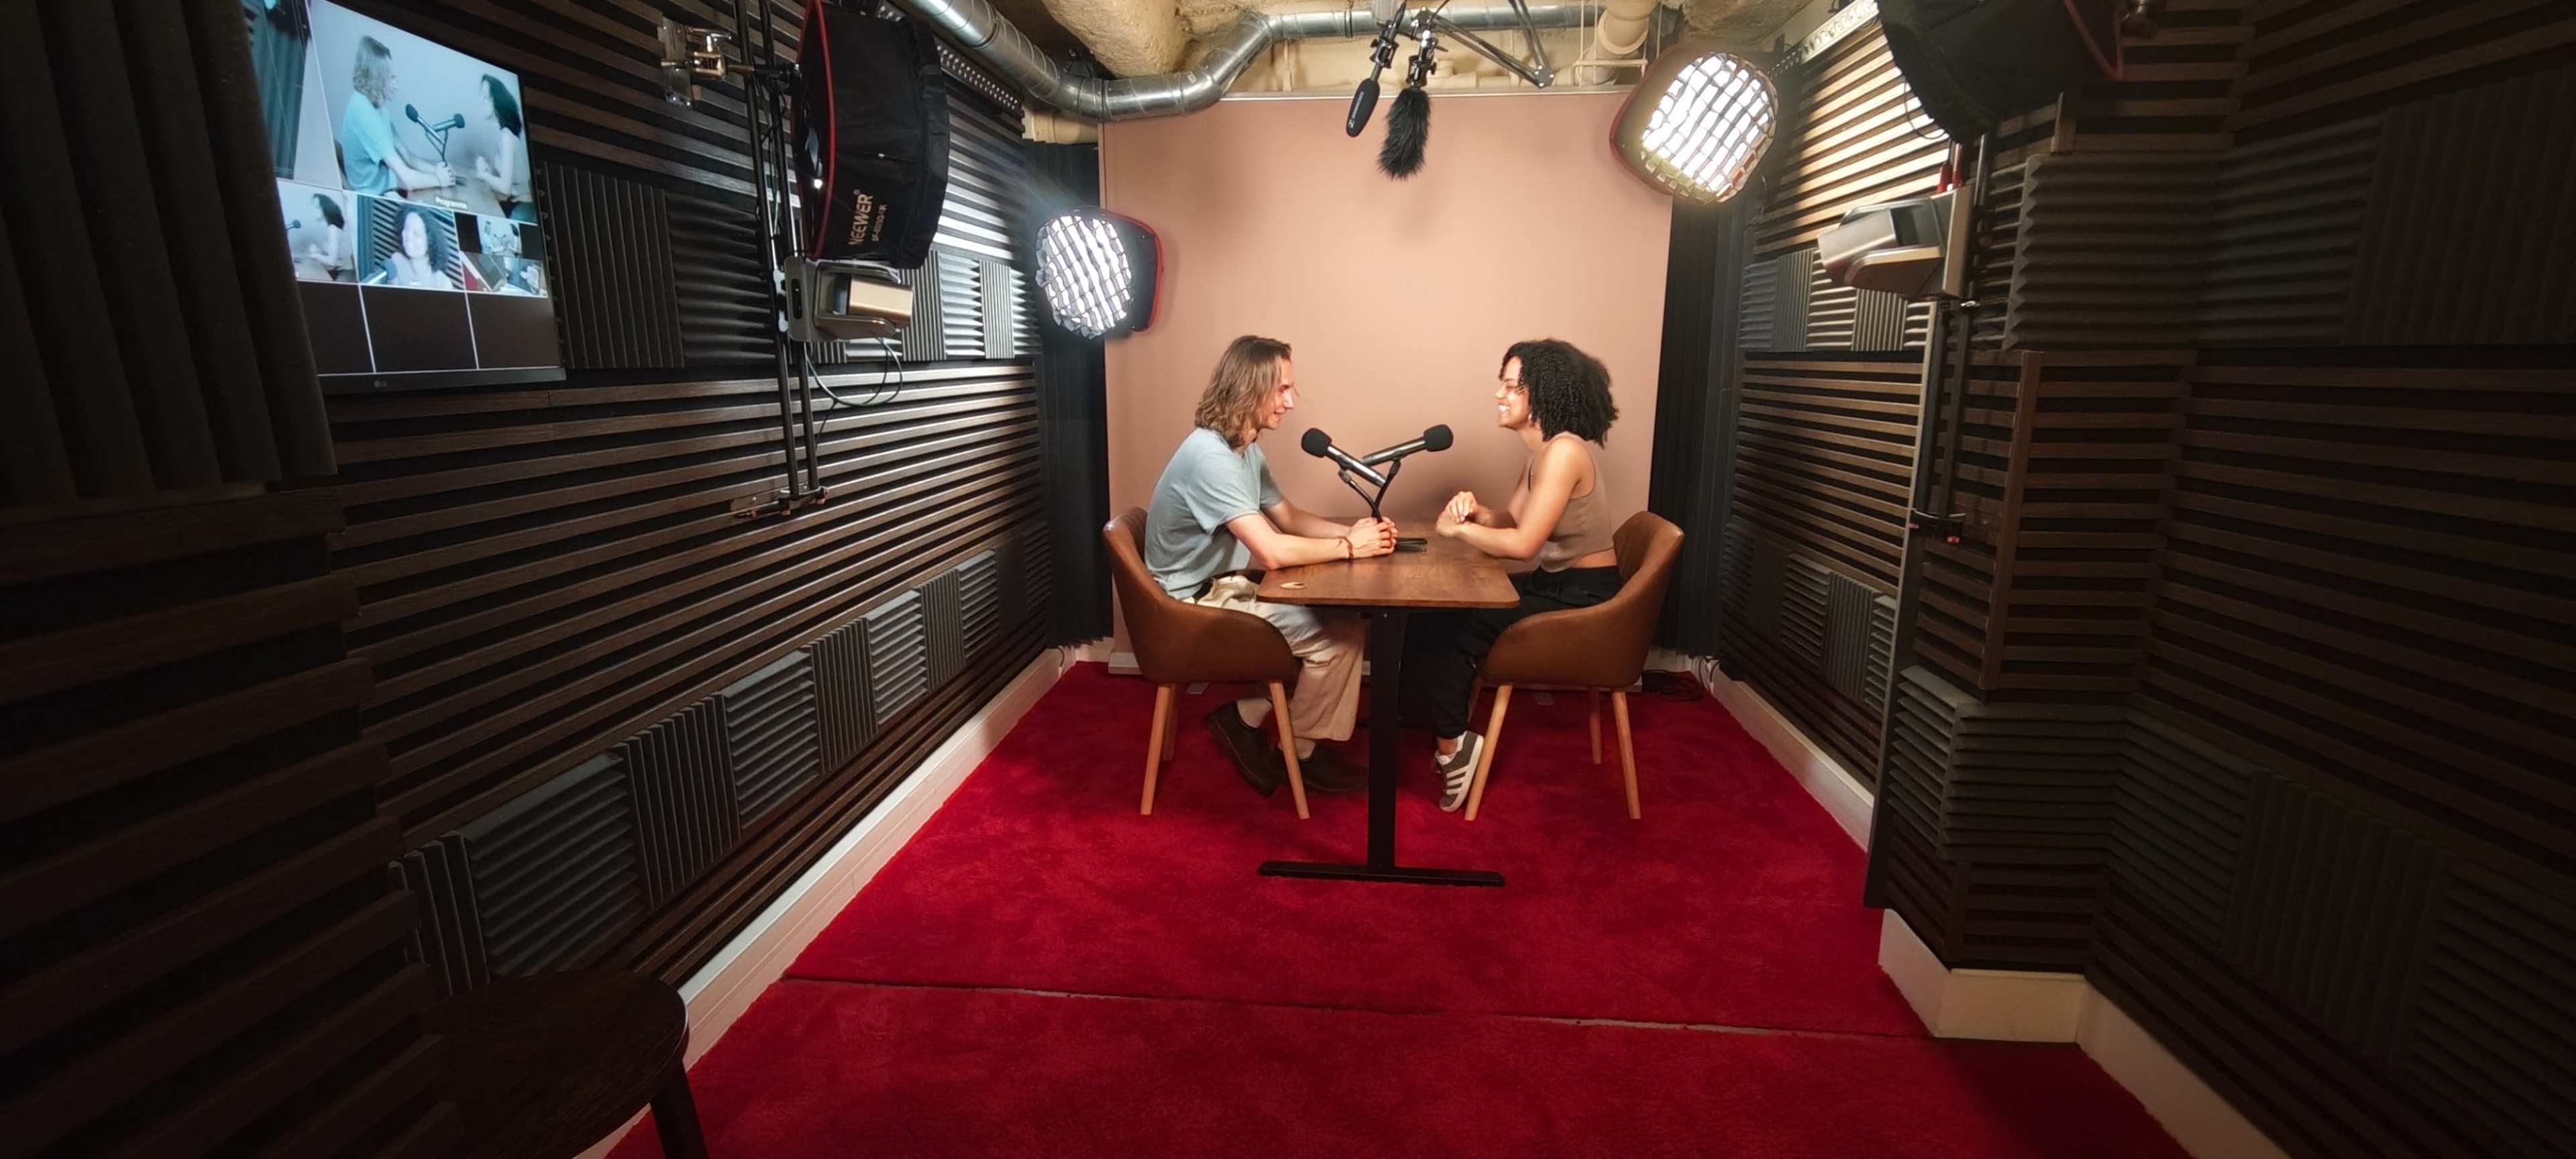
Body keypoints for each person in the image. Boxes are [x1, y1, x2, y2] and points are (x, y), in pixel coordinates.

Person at [1142, 335, 1397, 797]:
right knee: (1338, 641)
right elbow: (1272, 552)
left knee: (1344, 627)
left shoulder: (1244, 448)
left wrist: (1361, 533)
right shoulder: (1211, 459)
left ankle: (1246, 717)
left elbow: (1290, 518)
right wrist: (1350, 548)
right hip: (1186, 609)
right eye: (1282, 389)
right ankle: (1299, 755)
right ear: (1248, 389)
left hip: (1218, 586)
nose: (1291, 402)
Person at [1407, 339, 1623, 811]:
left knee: (1445, 632)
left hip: (1582, 600)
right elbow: (1511, 521)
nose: (1499, 395)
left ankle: (1454, 749)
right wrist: (1476, 513)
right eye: (1501, 384)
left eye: (1511, 386)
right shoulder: (1543, 452)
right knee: (1431, 615)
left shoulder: (1564, 452)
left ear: (1542, 392)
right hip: (1557, 585)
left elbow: (1524, 545)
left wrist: (1457, 532)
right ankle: (1441, 731)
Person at [338, 35, 453, 198]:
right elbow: (408, 180)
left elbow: (407, 156)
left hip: (389, 183)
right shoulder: (364, 112)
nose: (396, 86)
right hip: (373, 195)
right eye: (391, 78)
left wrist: (437, 171)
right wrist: (439, 180)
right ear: (377, 77)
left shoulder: (379, 109)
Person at [469, 74, 537, 222]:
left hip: (523, 208)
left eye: (485, 97)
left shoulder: (506, 137)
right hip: (515, 204)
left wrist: (483, 175)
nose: (481, 102)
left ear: (496, 102)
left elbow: (505, 189)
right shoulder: (504, 135)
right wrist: (489, 171)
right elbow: (509, 182)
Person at [383, 208, 456, 289]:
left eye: (416, 234)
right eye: (406, 229)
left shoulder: (442, 283)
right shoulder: (397, 262)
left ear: (430, 241)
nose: (409, 237)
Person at [301, 194, 352, 280]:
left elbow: (332, 262)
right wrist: (319, 252)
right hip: (335, 269)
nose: (313, 210)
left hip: (343, 272)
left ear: (325, 209)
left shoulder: (333, 229)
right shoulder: (327, 228)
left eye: (317, 207)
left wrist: (315, 255)